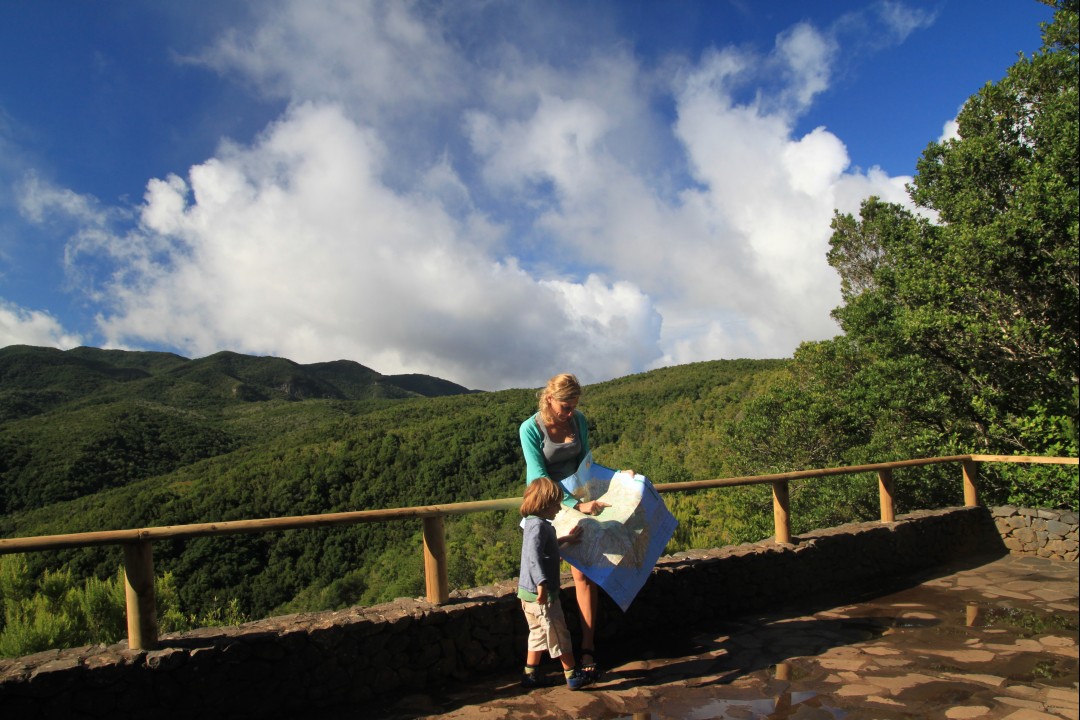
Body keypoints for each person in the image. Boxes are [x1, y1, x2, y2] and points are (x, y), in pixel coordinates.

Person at [519, 373, 608, 682]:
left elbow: (586, 461)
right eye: (565, 407)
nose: (570, 413)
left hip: (581, 496)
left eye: (574, 406)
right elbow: (538, 475)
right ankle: (551, 662)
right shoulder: (530, 429)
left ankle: (587, 648)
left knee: (584, 573)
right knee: (544, 571)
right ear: (549, 399)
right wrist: (573, 504)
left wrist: (613, 480)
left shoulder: (578, 420)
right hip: (547, 502)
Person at [517, 476, 591, 691]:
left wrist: (565, 540)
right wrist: (542, 583)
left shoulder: (534, 524)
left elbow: (544, 549)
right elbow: (533, 558)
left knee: (538, 634)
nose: (559, 508)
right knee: (559, 634)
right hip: (542, 595)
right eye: (556, 504)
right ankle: (573, 675)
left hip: (528, 595)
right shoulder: (538, 527)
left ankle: (530, 674)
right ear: (544, 504)